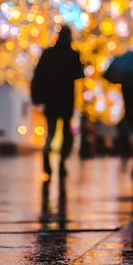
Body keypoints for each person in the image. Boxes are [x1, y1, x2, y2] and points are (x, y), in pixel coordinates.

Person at [31, 24, 84, 179]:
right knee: (66, 133)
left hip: (51, 99)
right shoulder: (73, 55)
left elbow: (39, 75)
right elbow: (78, 74)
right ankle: (61, 162)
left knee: (51, 131)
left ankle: (47, 153)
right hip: (66, 99)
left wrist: (38, 95)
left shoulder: (48, 54)